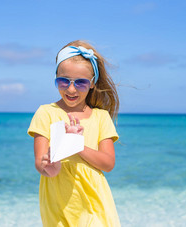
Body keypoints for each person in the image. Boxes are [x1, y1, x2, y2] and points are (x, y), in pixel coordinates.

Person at [27, 40, 120, 226]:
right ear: (55, 78)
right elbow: (40, 162)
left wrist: (76, 145)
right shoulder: (45, 112)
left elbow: (108, 164)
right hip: (58, 204)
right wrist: (49, 166)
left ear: (92, 83)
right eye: (63, 81)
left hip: (95, 202)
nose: (71, 89)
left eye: (81, 83)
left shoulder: (101, 117)